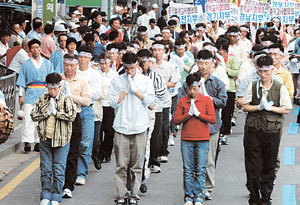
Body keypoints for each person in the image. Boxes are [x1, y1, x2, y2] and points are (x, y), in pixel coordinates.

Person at [242, 54, 292, 205]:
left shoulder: (279, 86)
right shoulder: (253, 86)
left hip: (272, 131)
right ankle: (254, 195)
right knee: (252, 165)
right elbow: (244, 106)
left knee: (269, 165)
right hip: (253, 130)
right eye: (260, 71)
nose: (263, 75)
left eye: (266, 71)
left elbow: (286, 109)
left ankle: (265, 196)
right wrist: (258, 107)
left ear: (272, 70)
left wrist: (271, 108)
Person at [108, 52, 155, 205]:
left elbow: (151, 103)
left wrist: (136, 91)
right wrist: (125, 91)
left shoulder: (145, 81)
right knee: (121, 164)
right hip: (121, 126)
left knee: (137, 164)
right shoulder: (117, 80)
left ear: (137, 65)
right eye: (127, 68)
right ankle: (122, 194)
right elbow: (112, 102)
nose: (129, 71)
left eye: (132, 68)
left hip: (140, 126)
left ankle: (134, 194)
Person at [31, 73, 77, 205]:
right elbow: (33, 115)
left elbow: (72, 116)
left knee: (58, 169)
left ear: (60, 87)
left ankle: (56, 195)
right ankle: (45, 194)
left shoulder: (66, 99)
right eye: (50, 88)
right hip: (45, 138)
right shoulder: (42, 99)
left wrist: (57, 113)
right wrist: (46, 113)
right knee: (45, 169)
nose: (52, 91)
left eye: (55, 88)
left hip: (61, 140)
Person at [174, 72, 216, 205]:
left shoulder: (206, 100)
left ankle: (199, 195)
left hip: (203, 138)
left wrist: (198, 114)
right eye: (190, 88)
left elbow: (212, 119)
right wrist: (188, 114)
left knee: (200, 169)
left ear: (200, 86)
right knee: (188, 169)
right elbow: (176, 120)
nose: (193, 91)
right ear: (187, 88)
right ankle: (188, 196)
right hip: (187, 139)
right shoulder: (182, 101)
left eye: (196, 88)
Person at [62, 54, 92, 199]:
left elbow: (87, 100)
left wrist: (70, 97)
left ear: (76, 66)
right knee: (59, 152)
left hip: (75, 118)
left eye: (71, 65)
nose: (68, 68)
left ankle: (68, 185)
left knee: (73, 152)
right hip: (60, 120)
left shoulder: (82, 80)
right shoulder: (58, 79)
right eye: (66, 65)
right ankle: (58, 182)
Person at [16, 39, 54, 153]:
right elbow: (22, 81)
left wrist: (52, 94)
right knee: (28, 117)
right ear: (29, 49)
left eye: (37, 47)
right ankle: (27, 141)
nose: (35, 50)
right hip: (31, 92)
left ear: (40, 48)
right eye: (33, 48)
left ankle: (38, 141)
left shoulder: (47, 63)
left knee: (42, 118)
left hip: (44, 92)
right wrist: (21, 96)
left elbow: (52, 80)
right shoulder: (26, 64)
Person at [74, 45, 101, 185]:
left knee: (85, 142)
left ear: (90, 59)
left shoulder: (95, 74)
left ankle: (81, 172)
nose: (82, 60)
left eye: (85, 57)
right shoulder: (73, 72)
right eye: (80, 57)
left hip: (87, 109)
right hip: (73, 109)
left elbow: (96, 93)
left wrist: (83, 92)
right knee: (72, 142)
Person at [152, 41, 181, 163]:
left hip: (164, 101)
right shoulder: (148, 65)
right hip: (150, 101)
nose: (157, 52)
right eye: (155, 50)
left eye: (160, 50)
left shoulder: (169, 66)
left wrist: (159, 85)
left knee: (164, 126)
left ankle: (163, 151)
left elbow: (173, 82)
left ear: (164, 52)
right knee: (153, 128)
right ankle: (154, 152)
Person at [216, 38, 239, 145]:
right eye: (219, 49)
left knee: (227, 112)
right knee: (218, 113)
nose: (221, 52)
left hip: (229, 89)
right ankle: (219, 132)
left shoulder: (232, 59)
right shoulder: (215, 60)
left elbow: (236, 72)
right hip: (217, 89)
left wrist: (226, 70)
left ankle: (225, 133)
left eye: (223, 50)